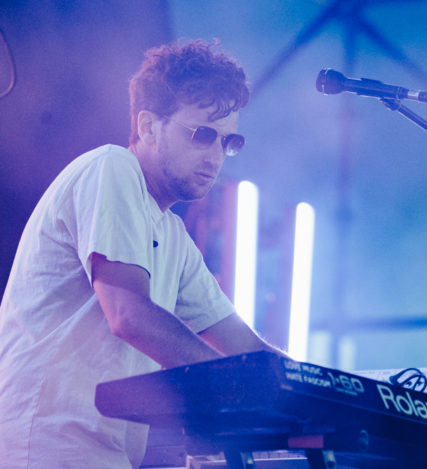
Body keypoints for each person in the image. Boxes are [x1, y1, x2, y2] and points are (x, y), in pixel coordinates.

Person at [0, 39, 282, 468]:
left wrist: (328, 391)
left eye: (228, 142)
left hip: (102, 454)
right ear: (148, 126)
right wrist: (238, 388)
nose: (215, 156)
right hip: (44, 446)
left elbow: (241, 344)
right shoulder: (112, 167)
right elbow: (128, 314)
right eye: (202, 134)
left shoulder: (172, 235)